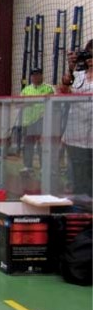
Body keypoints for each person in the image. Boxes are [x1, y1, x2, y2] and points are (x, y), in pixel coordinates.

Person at [62, 40, 93, 195]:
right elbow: (63, 91)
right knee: (78, 176)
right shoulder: (78, 76)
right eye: (88, 54)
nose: (90, 57)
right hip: (76, 135)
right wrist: (70, 68)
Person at [19, 68, 54, 173]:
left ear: (42, 76)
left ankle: (44, 166)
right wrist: (27, 103)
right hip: (28, 120)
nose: (35, 77)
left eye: (38, 75)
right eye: (33, 75)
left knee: (41, 144)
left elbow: (52, 102)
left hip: (42, 119)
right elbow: (20, 104)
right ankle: (28, 166)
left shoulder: (48, 88)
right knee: (28, 143)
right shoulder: (26, 89)